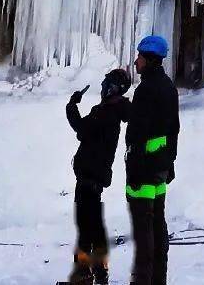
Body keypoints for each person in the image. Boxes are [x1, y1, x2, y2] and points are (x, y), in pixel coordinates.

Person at [65, 67, 132, 284]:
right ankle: (99, 271)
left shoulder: (104, 112)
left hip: (89, 175)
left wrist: (71, 105)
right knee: (93, 225)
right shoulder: (111, 111)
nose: (102, 88)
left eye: (106, 85)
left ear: (113, 88)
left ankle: (83, 275)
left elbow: (82, 129)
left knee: (86, 226)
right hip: (95, 175)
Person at [126, 35, 179, 285]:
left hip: (144, 170)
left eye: (139, 57)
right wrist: (169, 164)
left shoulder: (146, 90)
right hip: (159, 169)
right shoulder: (168, 86)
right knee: (158, 228)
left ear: (148, 59)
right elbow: (173, 131)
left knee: (144, 233)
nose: (136, 62)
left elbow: (138, 134)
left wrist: (135, 171)